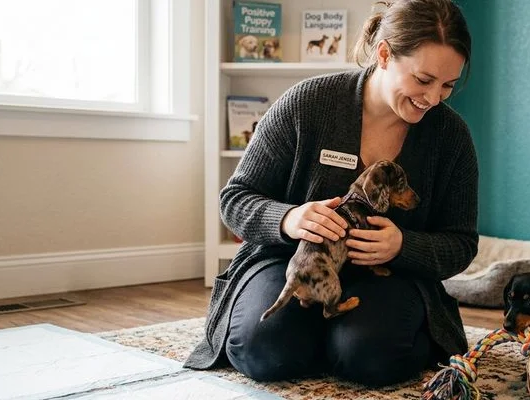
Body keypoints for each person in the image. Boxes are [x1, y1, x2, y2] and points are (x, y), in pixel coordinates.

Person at [185, 0, 478, 388]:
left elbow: (461, 242)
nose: (434, 98)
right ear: (385, 53)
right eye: (424, 80)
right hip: (290, 262)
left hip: (388, 276)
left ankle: (344, 338)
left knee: (371, 356)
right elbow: (235, 198)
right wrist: (289, 219)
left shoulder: (451, 137)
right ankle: (319, 337)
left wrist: (402, 246)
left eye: (448, 86)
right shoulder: (308, 103)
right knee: (265, 349)